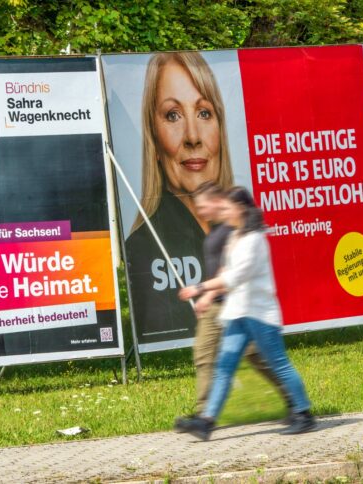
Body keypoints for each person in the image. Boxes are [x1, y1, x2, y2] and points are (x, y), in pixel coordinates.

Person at [178, 186, 316, 440]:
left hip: (259, 315)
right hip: (237, 314)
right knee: (224, 366)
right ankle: (206, 422)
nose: (224, 211)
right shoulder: (236, 237)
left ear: (240, 209)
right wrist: (208, 294)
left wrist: (199, 288)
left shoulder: (255, 240)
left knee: (279, 364)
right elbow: (225, 272)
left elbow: (235, 276)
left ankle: (303, 413)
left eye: (228, 207)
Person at [125, 52, 234, 344]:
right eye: (173, 115)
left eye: (204, 113)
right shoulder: (143, 246)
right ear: (154, 137)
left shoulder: (244, 227)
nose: (192, 137)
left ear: (220, 128)